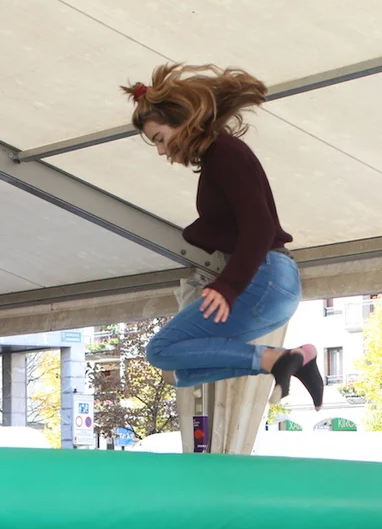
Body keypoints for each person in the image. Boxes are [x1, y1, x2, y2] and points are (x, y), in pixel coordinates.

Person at [123, 64, 324, 409]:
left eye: (159, 138)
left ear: (181, 121)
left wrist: (228, 286)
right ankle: (293, 360)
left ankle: (278, 359)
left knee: (160, 350)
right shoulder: (219, 157)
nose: (160, 151)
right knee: (176, 370)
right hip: (273, 287)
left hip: (263, 280)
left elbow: (260, 226)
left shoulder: (224, 152)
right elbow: (242, 221)